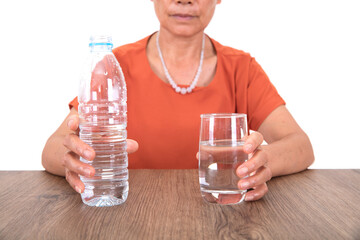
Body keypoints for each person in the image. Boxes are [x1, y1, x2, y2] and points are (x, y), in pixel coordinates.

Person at [42, 0, 314, 202]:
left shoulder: (242, 69)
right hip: (127, 211)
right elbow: (52, 149)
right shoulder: (114, 67)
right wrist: (77, 159)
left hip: (220, 212)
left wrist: (260, 163)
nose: (184, 0)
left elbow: (301, 146)